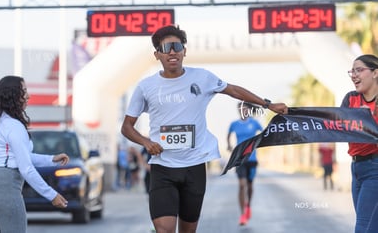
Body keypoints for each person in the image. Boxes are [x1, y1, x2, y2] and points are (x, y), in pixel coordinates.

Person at [120, 25, 288, 233]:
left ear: (184, 51)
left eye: (177, 46)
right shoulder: (146, 87)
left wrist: (268, 105)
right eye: (166, 47)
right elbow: (127, 127)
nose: (172, 51)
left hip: (195, 166)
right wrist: (146, 142)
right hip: (163, 168)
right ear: (157, 55)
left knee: (188, 231)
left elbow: (233, 90)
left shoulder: (202, 77)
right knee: (165, 229)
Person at [0, 75, 70, 233]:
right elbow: (26, 168)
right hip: (4, 190)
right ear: (12, 95)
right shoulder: (14, 126)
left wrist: (51, 159)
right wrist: (51, 195)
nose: (28, 95)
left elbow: (20, 157)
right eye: (24, 91)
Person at [341, 54, 378, 233]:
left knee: (363, 228)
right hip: (356, 168)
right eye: (352, 71)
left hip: (375, 167)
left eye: (359, 70)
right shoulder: (350, 99)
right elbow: (335, 126)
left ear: (375, 72)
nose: (354, 75)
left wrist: (370, 121)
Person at [227, 101, 263, 226]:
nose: (243, 111)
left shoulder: (254, 123)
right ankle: (242, 214)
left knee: (250, 185)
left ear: (249, 110)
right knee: (242, 185)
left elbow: (264, 133)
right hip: (239, 159)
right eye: (241, 109)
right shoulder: (234, 124)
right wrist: (229, 146)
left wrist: (259, 143)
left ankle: (248, 206)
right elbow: (229, 135)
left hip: (252, 159)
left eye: (245, 108)